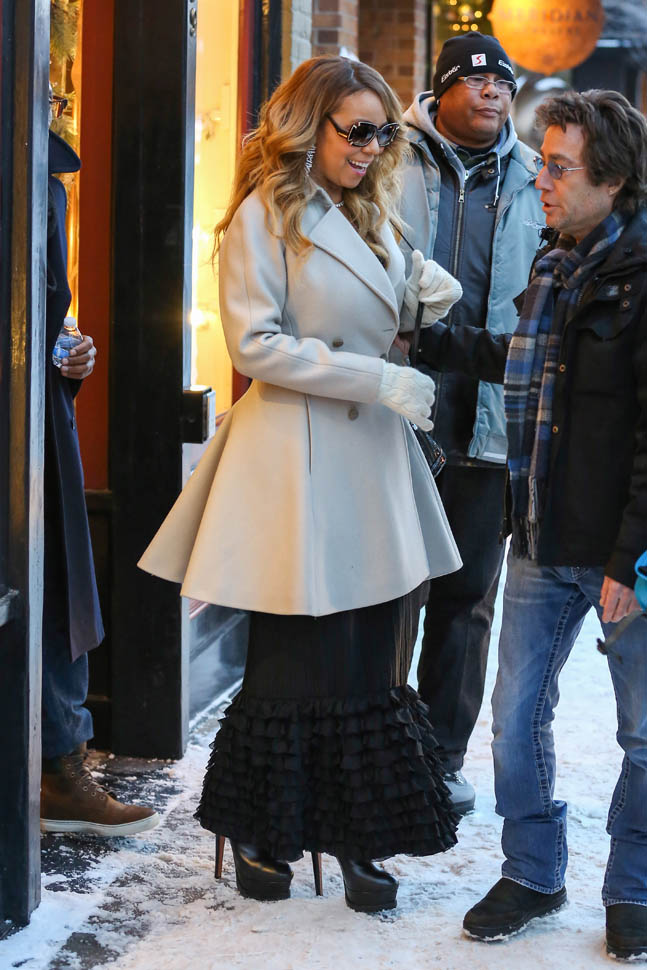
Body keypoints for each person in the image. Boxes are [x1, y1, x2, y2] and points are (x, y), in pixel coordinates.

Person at [139, 55, 464, 912]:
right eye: (355, 130)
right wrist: (373, 377)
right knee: (295, 656)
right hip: (296, 456)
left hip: (369, 457)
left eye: (382, 132)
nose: (370, 147)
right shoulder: (264, 213)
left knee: (367, 655)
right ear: (306, 123)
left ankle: (357, 830)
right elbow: (256, 346)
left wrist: (415, 294)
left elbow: (376, 309)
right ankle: (262, 828)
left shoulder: (371, 210)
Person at [450, 90, 647, 959]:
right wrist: (435, 342)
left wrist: (626, 559)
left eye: (559, 167)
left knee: (642, 734)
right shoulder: (554, 262)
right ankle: (532, 872)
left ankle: (633, 886)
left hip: (619, 551)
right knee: (514, 714)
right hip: (539, 534)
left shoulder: (641, 277)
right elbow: (531, 368)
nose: (541, 180)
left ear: (612, 177)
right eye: (542, 164)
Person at [398, 32, 544, 814]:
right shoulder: (390, 160)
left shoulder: (534, 177)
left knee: (465, 606)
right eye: (477, 81)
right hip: (397, 417)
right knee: (388, 598)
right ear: (442, 87)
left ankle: (439, 760)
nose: (492, 93)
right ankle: (377, 753)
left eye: (503, 84)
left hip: (489, 424)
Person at [41, 89, 159, 836]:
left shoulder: (45, 183)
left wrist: (65, 350)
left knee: (55, 585)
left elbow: (45, 307)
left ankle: (60, 767)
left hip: (35, 418)